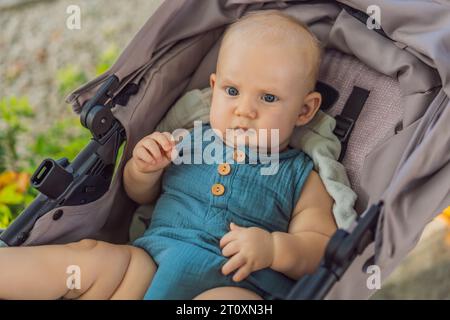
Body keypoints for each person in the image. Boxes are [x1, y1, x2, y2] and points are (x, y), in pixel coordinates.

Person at [0, 10, 336, 300]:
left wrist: (275, 249)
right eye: (232, 91)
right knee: (90, 256)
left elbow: (319, 247)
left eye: (269, 98)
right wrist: (145, 170)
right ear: (215, 87)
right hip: (149, 267)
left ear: (305, 110)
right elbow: (139, 195)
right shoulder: (186, 140)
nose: (244, 110)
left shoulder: (302, 177)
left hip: (233, 281)